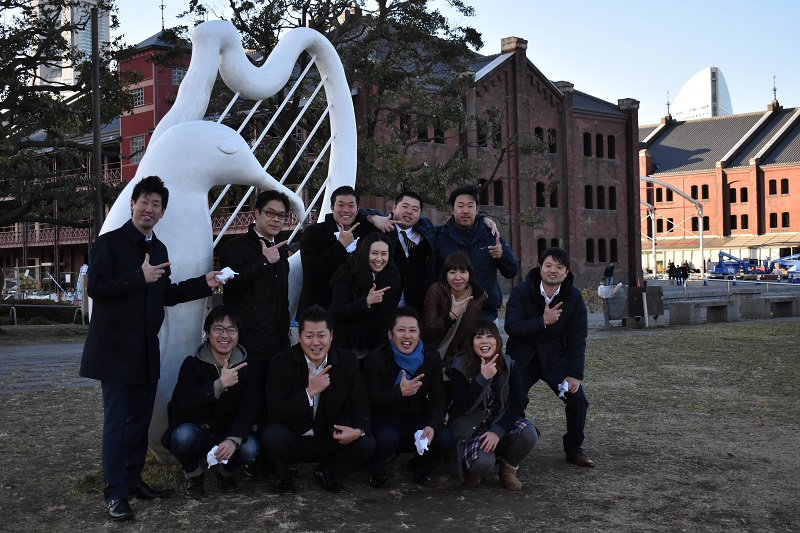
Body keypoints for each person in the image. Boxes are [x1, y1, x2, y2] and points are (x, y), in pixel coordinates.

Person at [79, 175, 222, 521]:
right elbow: (96, 287)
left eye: (156, 204)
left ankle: (132, 480)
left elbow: (166, 294)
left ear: (162, 213)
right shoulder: (110, 243)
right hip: (114, 350)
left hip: (146, 349)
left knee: (139, 422)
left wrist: (204, 284)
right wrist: (137, 278)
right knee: (116, 423)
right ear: (132, 205)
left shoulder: (158, 249)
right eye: (144, 201)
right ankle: (115, 494)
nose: (149, 208)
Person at [259, 305, 376, 494]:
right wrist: (309, 392)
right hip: (294, 437)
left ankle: (328, 471)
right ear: (299, 337)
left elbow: (360, 402)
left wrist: (358, 430)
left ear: (331, 335)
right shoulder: (280, 362)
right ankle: (283, 478)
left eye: (321, 335)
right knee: (271, 436)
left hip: (329, 436)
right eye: (309, 336)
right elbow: (275, 412)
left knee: (366, 442)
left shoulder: (348, 361)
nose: (315, 342)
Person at [504, 247, 593, 468]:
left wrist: (575, 374)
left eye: (559, 267)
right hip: (524, 357)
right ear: (540, 267)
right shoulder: (522, 291)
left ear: (566, 272)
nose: (553, 270)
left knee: (578, 399)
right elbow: (512, 327)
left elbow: (577, 337)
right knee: (512, 399)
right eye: (548, 265)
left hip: (554, 358)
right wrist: (542, 321)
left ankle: (574, 448)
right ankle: (510, 448)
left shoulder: (573, 297)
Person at [161, 306, 260, 500]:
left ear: (238, 335)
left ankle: (224, 472)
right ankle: (194, 475)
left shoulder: (249, 366)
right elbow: (184, 403)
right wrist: (218, 385)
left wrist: (233, 439)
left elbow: (250, 408)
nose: (225, 335)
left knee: (250, 449)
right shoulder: (192, 364)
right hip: (199, 431)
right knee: (183, 436)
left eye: (231, 330)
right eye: (218, 329)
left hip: (228, 432)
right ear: (207, 333)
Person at [363, 308, 453, 488]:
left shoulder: (431, 357)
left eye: (412, 330)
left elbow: (438, 398)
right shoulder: (375, 358)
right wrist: (399, 392)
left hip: (417, 419)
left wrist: (432, 425)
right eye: (401, 330)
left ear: (419, 334)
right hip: (386, 420)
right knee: (387, 438)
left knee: (444, 437)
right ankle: (376, 467)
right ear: (390, 334)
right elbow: (370, 400)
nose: (407, 336)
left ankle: (420, 466)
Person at [447, 320, 538, 490]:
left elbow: (518, 404)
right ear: (471, 342)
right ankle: (473, 467)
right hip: (471, 431)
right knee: (482, 464)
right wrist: (482, 379)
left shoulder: (509, 365)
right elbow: (462, 406)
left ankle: (508, 469)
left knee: (528, 433)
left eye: (489, 336)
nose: (484, 341)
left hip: (498, 426)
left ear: (497, 340)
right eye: (478, 337)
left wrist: (498, 430)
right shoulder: (459, 366)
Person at [219, 190, 292, 363]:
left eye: (281, 215)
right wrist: (263, 261)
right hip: (247, 343)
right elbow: (231, 283)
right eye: (270, 213)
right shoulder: (234, 247)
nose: (276, 219)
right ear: (257, 213)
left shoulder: (281, 248)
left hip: (279, 340)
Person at [433, 184, 519, 321]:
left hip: (486, 315)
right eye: (460, 206)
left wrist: (503, 255)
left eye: (470, 206)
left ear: (477, 209)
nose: (465, 211)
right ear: (452, 209)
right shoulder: (440, 236)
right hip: (452, 314)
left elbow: (512, 271)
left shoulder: (491, 234)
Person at [297, 185, 375, 315]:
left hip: (355, 310)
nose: (346, 210)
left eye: (351, 206)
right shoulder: (313, 232)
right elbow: (311, 269)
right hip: (319, 312)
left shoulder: (366, 232)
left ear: (357, 210)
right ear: (332, 207)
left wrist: (373, 217)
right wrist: (340, 246)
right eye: (341, 205)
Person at [329, 233, 401, 356]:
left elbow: (387, 313)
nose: (379, 259)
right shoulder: (348, 272)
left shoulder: (392, 273)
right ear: (365, 252)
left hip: (375, 342)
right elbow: (338, 310)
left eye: (384, 254)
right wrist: (366, 302)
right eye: (374, 253)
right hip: (345, 340)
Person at [422, 251, 487, 376]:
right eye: (452, 272)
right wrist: (451, 315)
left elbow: (470, 335)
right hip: (432, 352)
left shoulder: (477, 296)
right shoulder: (436, 291)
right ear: (446, 275)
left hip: (457, 357)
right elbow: (430, 330)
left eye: (463, 272)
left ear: (470, 274)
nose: (458, 277)